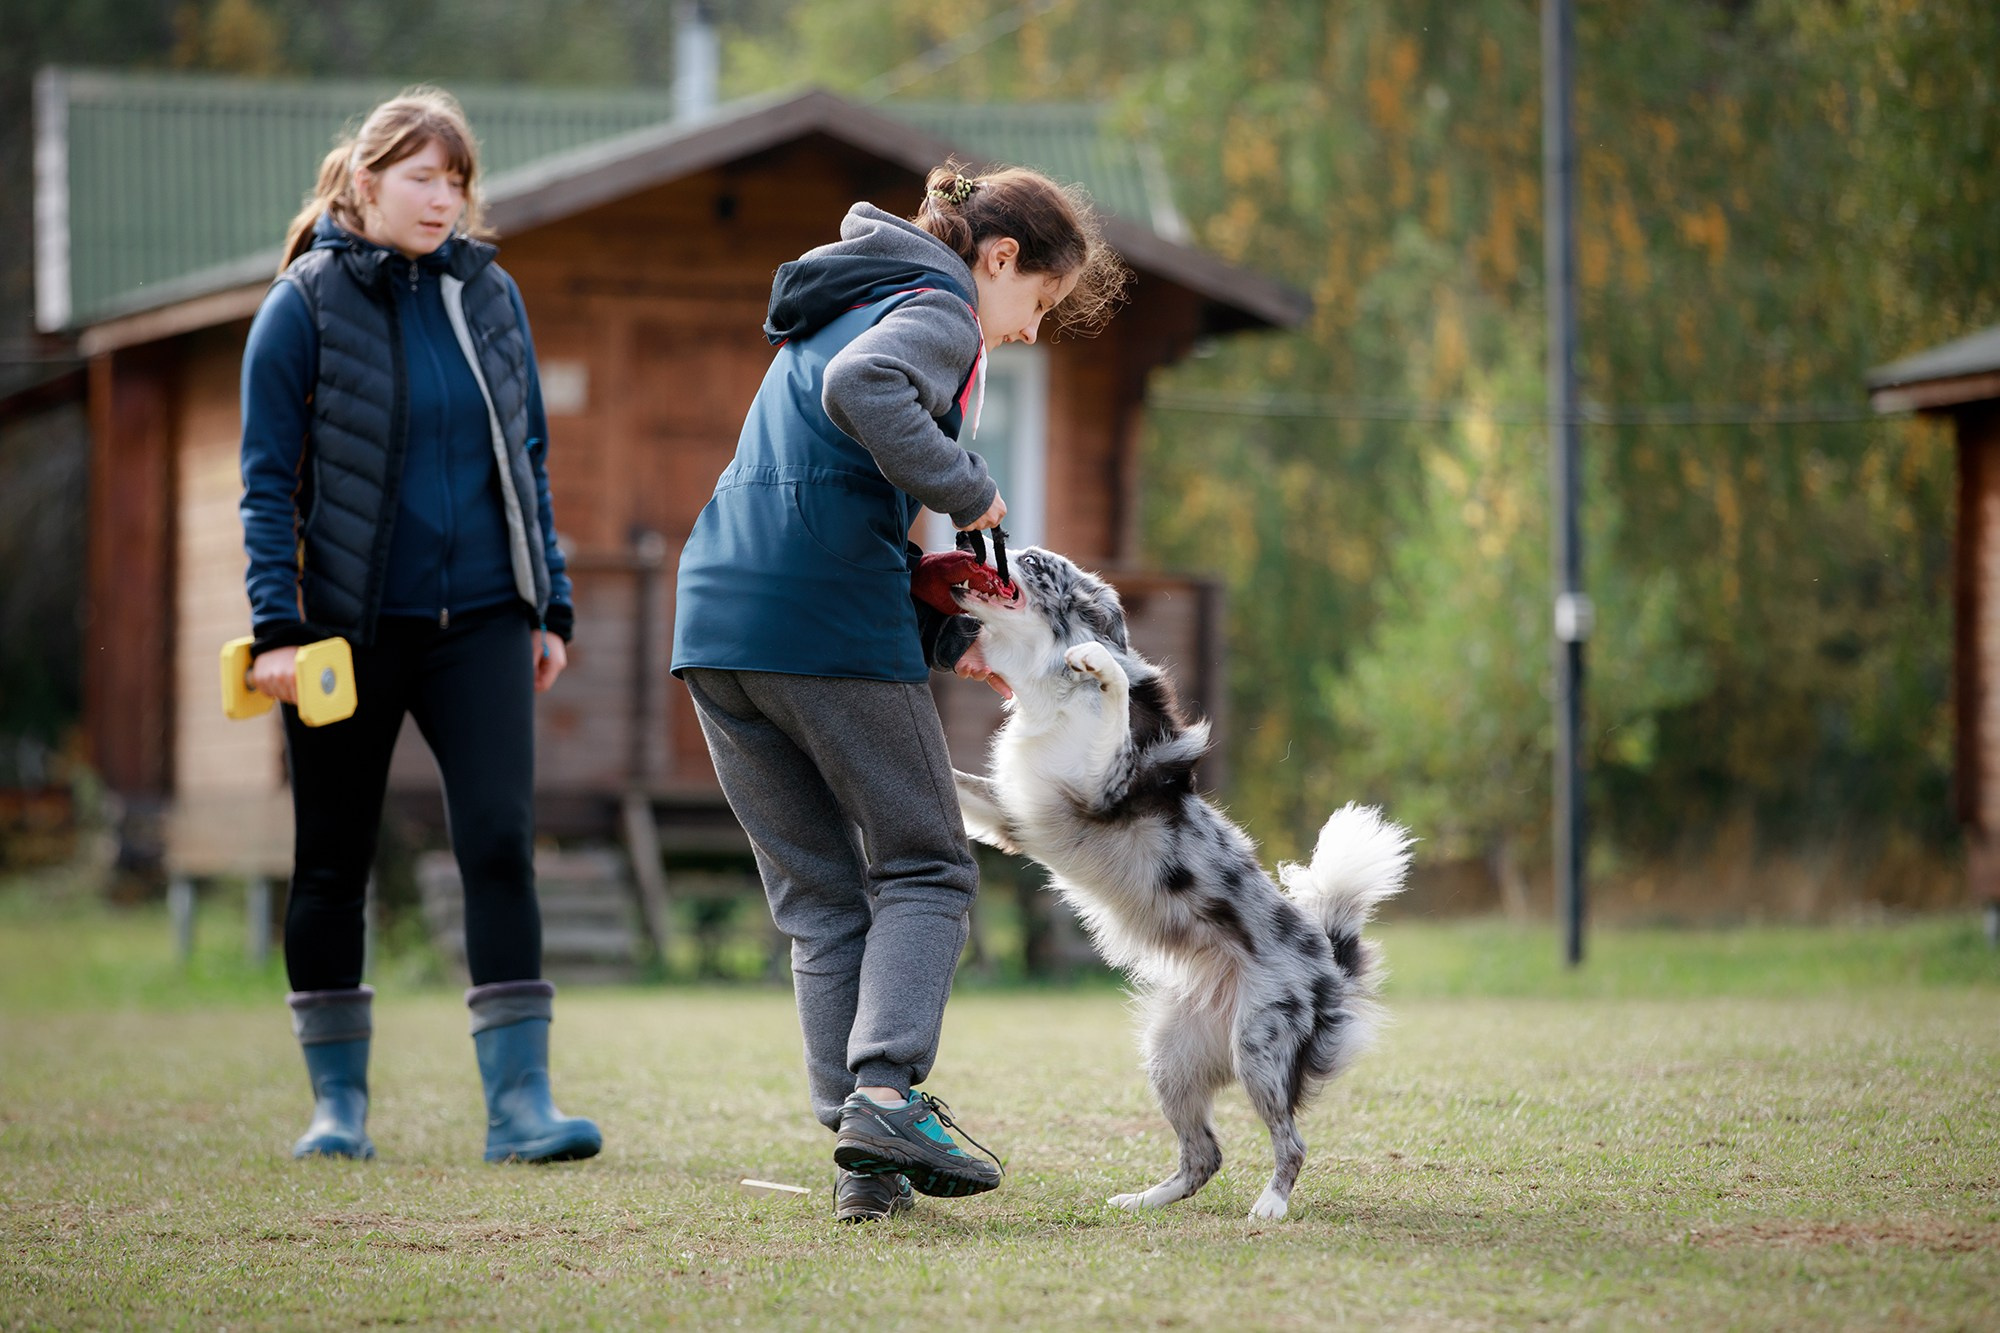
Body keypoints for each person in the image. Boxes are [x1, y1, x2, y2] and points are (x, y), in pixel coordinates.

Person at [670, 162, 1126, 1221]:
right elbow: (861, 390)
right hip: (822, 620)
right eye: (1038, 303)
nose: (1026, 331)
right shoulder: (937, 308)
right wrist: (973, 490)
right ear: (998, 259)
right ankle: (883, 1097)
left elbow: (829, 482)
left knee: (821, 898)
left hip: (718, 622)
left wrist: (941, 630)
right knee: (927, 863)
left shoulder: (851, 292)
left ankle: (863, 1164)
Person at [239, 88, 600, 1165]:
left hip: (482, 619)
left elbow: (527, 459)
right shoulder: (300, 308)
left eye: (456, 181)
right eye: (421, 178)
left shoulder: (488, 295)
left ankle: (520, 1106)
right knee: (331, 858)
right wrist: (278, 631)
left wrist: (547, 602)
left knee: (497, 843)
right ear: (366, 182)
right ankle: (337, 1107)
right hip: (343, 634)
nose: (443, 199)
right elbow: (266, 485)